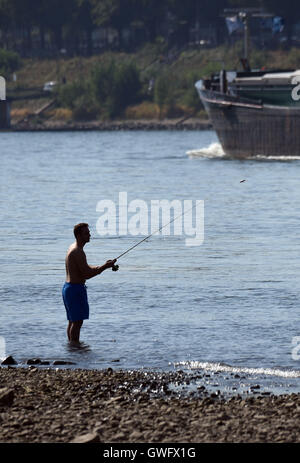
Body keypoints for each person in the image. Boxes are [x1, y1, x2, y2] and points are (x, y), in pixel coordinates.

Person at [62, 223, 117, 345]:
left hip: (69, 288)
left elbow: (84, 268)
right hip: (75, 289)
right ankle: (75, 347)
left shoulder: (73, 247)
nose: (89, 235)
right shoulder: (77, 251)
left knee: (72, 321)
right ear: (78, 235)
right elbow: (87, 274)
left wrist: (100, 266)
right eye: (86, 233)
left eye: (89, 232)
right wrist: (104, 267)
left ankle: (72, 348)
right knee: (77, 322)